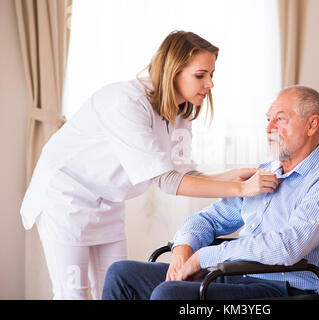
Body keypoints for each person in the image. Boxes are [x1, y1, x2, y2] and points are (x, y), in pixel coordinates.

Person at [19, 31, 280, 300]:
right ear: (173, 71)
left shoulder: (181, 111)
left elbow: (184, 173)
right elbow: (166, 181)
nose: (210, 83)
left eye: (212, 74)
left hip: (108, 202)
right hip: (66, 198)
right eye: (201, 75)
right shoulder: (126, 102)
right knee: (73, 293)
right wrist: (242, 189)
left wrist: (232, 176)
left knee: (116, 288)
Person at [102, 85, 319, 300]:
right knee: (121, 274)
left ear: (312, 124)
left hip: (283, 288)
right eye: (268, 120)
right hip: (233, 275)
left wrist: (204, 257)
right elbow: (208, 219)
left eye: (280, 119)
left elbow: (287, 246)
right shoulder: (264, 174)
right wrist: (183, 249)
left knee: (169, 295)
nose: (269, 129)